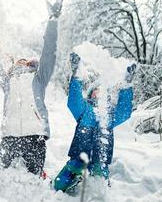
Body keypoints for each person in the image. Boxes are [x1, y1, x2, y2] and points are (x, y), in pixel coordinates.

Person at [0, 0, 64, 176]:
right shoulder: (8, 81)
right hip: (9, 136)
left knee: (33, 178)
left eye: (25, 61)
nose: (21, 62)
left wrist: (53, 21)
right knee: (1, 177)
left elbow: (49, 53)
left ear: (31, 64)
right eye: (18, 61)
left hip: (34, 135)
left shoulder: (39, 78)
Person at [54, 52, 136, 192]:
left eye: (102, 91)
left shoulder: (110, 115)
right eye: (96, 91)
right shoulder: (85, 109)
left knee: (100, 187)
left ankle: (94, 191)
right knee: (59, 185)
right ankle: (72, 183)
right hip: (80, 154)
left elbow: (124, 112)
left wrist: (127, 85)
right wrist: (76, 75)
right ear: (91, 94)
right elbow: (73, 101)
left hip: (100, 158)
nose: (99, 93)